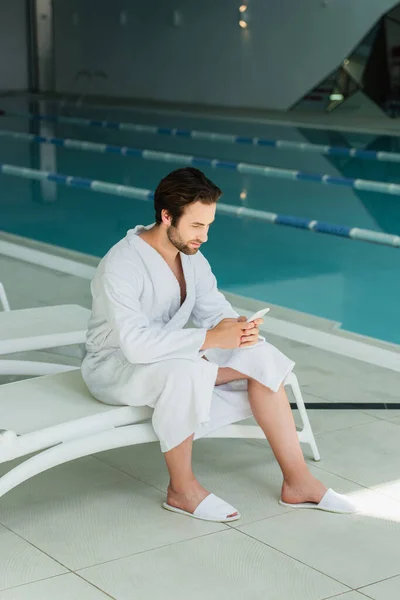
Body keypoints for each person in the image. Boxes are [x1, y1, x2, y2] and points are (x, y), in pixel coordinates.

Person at [82, 167, 356, 522]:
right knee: (183, 372)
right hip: (116, 367)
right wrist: (212, 338)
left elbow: (215, 312)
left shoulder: (191, 257)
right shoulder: (122, 265)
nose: (205, 236)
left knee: (258, 355)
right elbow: (135, 346)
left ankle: (298, 480)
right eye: (197, 226)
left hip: (173, 352)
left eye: (209, 225)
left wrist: (238, 329)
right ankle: (181, 489)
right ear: (167, 216)